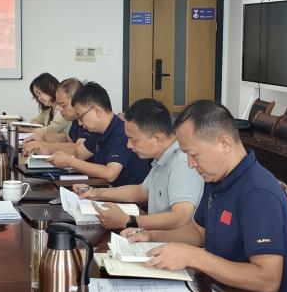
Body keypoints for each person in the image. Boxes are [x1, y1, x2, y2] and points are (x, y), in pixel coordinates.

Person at [135, 100, 287, 292]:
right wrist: (152, 236)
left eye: (194, 154)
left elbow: (267, 282)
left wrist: (194, 257)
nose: (190, 164)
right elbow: (199, 232)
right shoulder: (217, 177)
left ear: (224, 144)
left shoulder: (258, 193)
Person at [73, 98, 203, 233]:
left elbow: (181, 217)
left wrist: (129, 221)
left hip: (170, 241)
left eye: (133, 140)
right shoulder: (161, 158)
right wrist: (96, 193)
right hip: (154, 234)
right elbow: (141, 191)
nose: (129, 145)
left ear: (157, 139)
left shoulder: (181, 163)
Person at [50, 82, 149, 186]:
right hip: (107, 190)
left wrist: (70, 161)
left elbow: (110, 173)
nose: (80, 123)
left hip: (127, 194)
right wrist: (51, 155)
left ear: (97, 111)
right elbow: (79, 153)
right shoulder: (98, 132)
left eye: (81, 117)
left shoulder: (122, 132)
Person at [23, 78, 88, 156]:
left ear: (77, 102)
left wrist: (45, 146)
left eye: (63, 105)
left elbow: (79, 148)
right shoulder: (75, 119)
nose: (59, 109)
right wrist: (42, 138)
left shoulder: (87, 121)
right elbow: (66, 139)